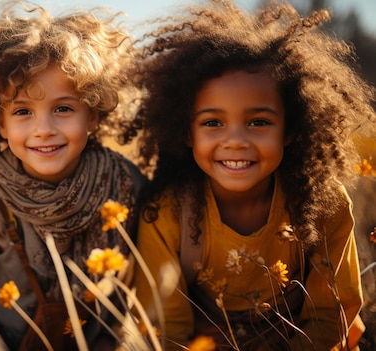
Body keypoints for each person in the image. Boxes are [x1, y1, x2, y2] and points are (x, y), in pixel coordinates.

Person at [131, 0, 376, 350]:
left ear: (290, 129)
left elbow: (330, 317)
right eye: (212, 123)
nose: (235, 141)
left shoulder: (323, 205)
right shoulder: (167, 214)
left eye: (258, 122)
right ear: (186, 132)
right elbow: (167, 326)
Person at [0, 1, 146, 350]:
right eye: (22, 111)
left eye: (63, 108)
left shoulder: (123, 183)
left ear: (92, 116)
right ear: (0, 123)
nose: (43, 129)